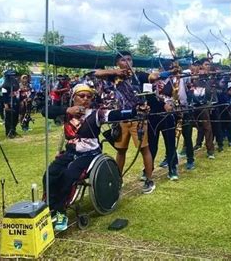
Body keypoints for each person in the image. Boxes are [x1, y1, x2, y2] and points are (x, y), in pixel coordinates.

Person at [43, 83, 138, 231]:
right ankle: (50, 206)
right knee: (50, 173)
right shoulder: (67, 112)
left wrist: (134, 111)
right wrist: (68, 110)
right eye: (81, 96)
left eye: (89, 96)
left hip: (90, 155)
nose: (86, 99)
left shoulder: (96, 113)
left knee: (69, 175)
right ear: (74, 97)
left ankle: (61, 212)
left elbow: (115, 114)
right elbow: (45, 111)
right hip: (70, 153)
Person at [95, 51, 156, 194]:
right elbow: (97, 73)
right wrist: (116, 71)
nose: (127, 62)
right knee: (120, 150)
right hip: (122, 118)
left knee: (144, 149)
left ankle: (149, 180)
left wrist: (168, 72)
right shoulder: (115, 77)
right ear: (118, 63)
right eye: (123, 60)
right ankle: (118, 180)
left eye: (129, 59)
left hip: (138, 118)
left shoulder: (138, 75)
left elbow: (153, 77)